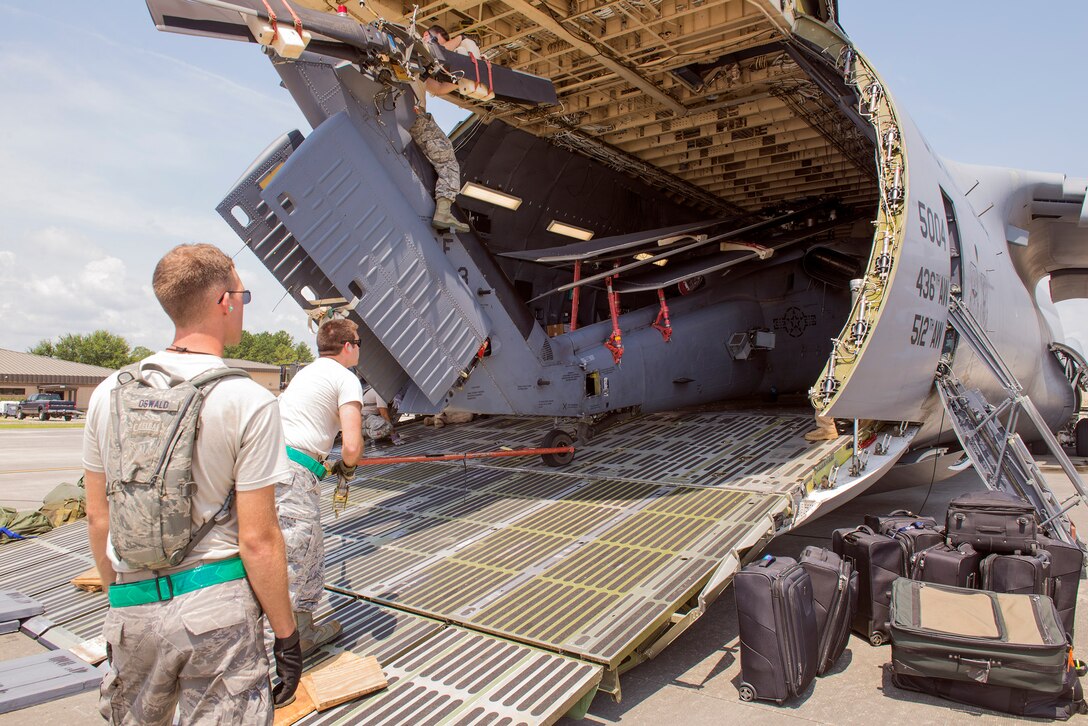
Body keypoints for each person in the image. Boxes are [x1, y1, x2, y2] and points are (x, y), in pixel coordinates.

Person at [83, 243, 300, 724]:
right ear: (224, 301)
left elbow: (98, 517)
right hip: (215, 609)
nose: (243, 306)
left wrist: (122, 598)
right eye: (242, 296)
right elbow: (259, 539)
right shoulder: (248, 399)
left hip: (132, 604)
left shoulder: (109, 392)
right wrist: (286, 635)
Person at [275, 318, 364, 654]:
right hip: (293, 474)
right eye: (359, 343)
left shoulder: (306, 373)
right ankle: (298, 639)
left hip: (267, 463)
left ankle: (287, 629)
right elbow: (352, 445)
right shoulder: (345, 378)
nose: (360, 349)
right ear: (348, 347)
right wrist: (347, 469)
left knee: (280, 549)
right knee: (303, 553)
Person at [406, 24, 484, 234]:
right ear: (426, 36)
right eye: (440, 43)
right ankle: (443, 211)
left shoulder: (415, 63)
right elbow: (435, 52)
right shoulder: (413, 46)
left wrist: (465, 79)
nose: (442, 50)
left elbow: (439, 88)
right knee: (447, 159)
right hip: (414, 116)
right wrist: (461, 39)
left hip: (405, 115)